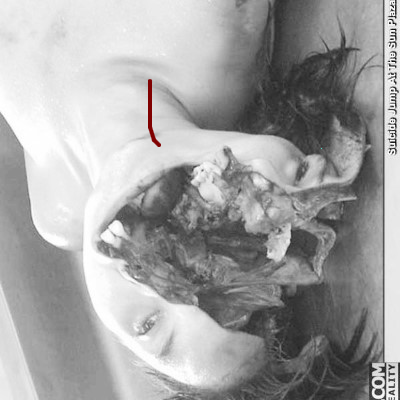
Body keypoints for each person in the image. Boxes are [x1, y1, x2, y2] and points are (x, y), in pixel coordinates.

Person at [0, 0, 382, 399]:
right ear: (299, 168)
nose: (152, 280)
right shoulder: (214, 15)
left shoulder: (58, 214)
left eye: (149, 326)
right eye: (212, 270)